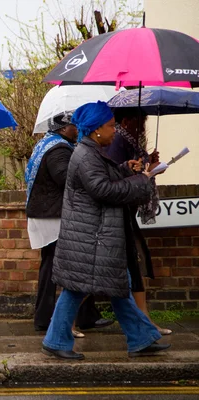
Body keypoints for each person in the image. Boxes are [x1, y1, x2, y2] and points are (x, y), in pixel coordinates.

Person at [42, 101, 170, 360]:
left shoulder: (91, 151)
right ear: (96, 129)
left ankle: (141, 339)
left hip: (95, 235)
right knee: (79, 288)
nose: (115, 130)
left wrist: (126, 168)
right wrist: (141, 180)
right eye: (111, 125)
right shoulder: (86, 155)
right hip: (91, 236)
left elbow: (102, 178)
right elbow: (103, 190)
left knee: (115, 286)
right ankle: (56, 340)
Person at [25, 113, 113, 337]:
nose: (78, 129)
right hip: (53, 216)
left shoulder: (47, 144)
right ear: (64, 129)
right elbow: (66, 179)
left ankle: (81, 316)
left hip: (46, 214)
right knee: (70, 264)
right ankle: (49, 319)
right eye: (74, 126)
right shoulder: (59, 150)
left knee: (65, 264)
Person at [105, 108, 171, 335]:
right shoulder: (117, 142)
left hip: (127, 211)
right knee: (126, 264)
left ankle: (143, 325)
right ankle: (63, 326)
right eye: (139, 120)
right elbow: (113, 180)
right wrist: (145, 174)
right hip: (119, 212)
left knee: (134, 263)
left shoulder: (129, 141)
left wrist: (148, 166)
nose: (142, 125)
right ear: (127, 120)